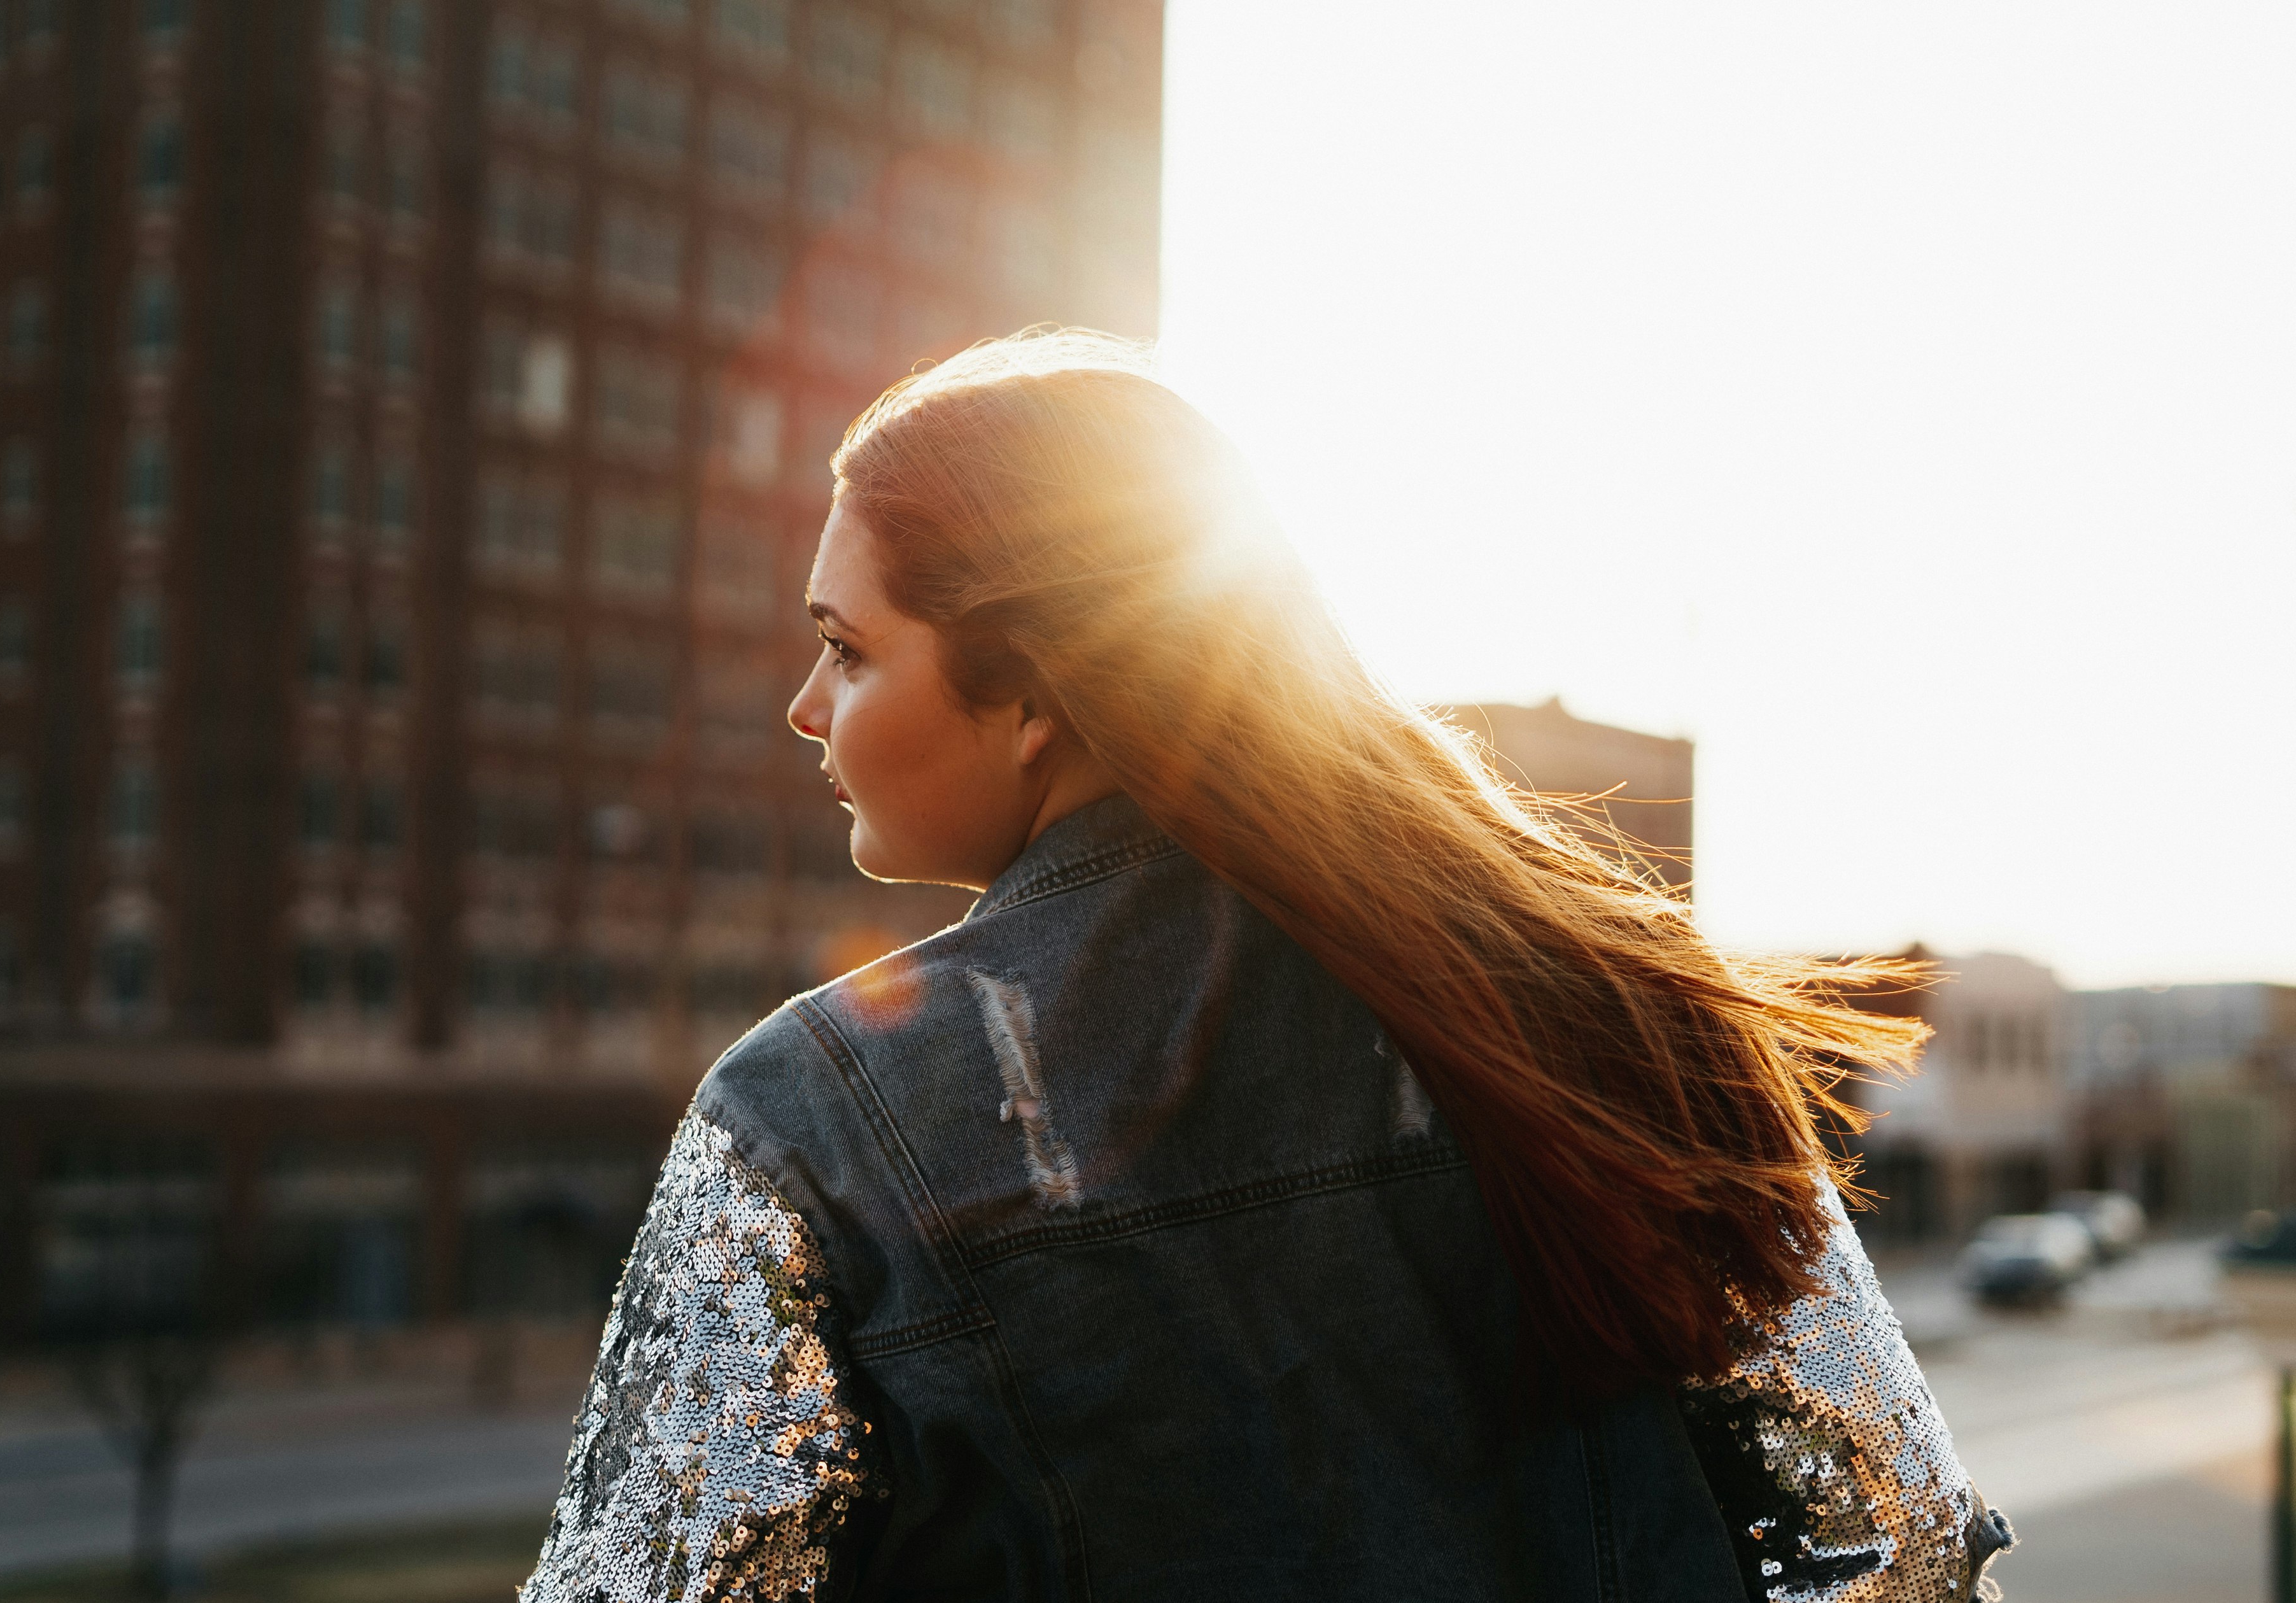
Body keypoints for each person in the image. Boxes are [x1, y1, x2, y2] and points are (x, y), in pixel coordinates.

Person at [519, 330, 2013, 1602]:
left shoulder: (810, 1120)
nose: (802, 706)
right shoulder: (1615, 1001)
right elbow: (1900, 1543)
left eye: (846, 649)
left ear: (1031, 694)